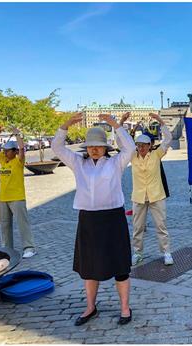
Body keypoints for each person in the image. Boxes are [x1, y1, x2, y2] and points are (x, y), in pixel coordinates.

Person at [52, 113, 136, 326]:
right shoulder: (78, 163)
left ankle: (125, 308)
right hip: (88, 220)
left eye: (99, 145)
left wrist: (115, 125)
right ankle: (90, 306)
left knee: (120, 266)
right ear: (86, 148)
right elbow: (57, 148)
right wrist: (66, 125)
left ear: (106, 147)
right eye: (91, 146)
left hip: (113, 219)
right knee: (89, 267)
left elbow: (130, 148)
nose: (94, 149)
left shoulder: (116, 163)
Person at [130, 113, 174, 266]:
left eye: (144, 145)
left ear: (149, 146)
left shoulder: (156, 155)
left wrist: (161, 121)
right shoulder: (133, 156)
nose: (141, 148)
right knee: (137, 228)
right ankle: (137, 253)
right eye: (138, 145)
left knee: (161, 226)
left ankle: (166, 252)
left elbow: (168, 139)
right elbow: (122, 144)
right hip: (139, 197)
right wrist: (123, 124)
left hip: (156, 195)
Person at [0, 125, 36, 259]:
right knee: (4, 225)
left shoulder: (18, 162)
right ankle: (7, 249)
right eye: (4, 150)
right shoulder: (2, 160)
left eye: (7, 151)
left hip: (17, 197)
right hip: (2, 198)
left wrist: (17, 134)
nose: (4, 153)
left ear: (14, 151)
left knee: (22, 223)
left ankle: (29, 248)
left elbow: (22, 148)